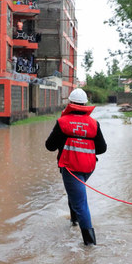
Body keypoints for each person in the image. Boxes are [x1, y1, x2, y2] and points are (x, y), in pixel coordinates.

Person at [45, 88, 107, 245]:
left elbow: (50, 146)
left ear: (70, 103)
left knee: (80, 204)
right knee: (74, 194)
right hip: (88, 168)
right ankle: (73, 222)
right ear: (85, 104)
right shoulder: (94, 124)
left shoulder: (63, 123)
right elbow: (102, 148)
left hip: (71, 168)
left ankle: (90, 245)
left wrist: (66, 141)